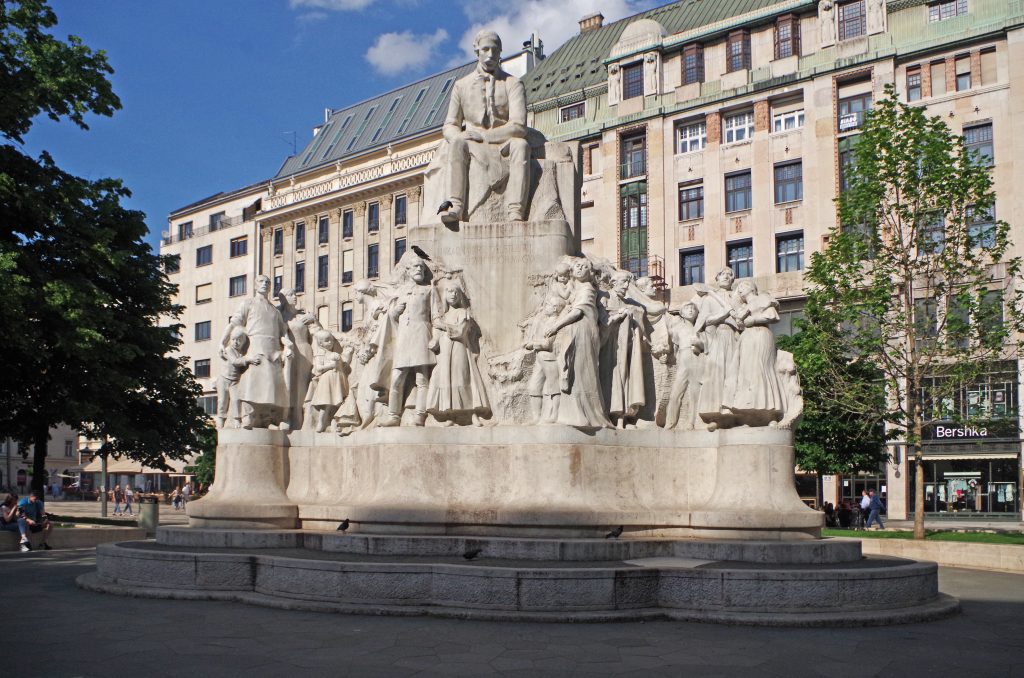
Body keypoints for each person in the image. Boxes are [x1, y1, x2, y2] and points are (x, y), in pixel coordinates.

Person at [438, 29, 530, 224]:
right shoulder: (461, 86)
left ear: (500, 52)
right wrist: (460, 136)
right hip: (472, 142)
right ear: (476, 51)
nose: (490, 55)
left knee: (521, 146)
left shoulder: (513, 84)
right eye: (485, 49)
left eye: (494, 50)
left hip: (504, 141)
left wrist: (487, 136)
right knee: (456, 143)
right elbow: (450, 125)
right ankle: (455, 206)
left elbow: (519, 125)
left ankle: (515, 210)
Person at [545, 257, 612, 428]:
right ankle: (572, 414)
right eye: (577, 267)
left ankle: (585, 414)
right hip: (575, 332)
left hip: (583, 332)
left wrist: (555, 326)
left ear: (589, 272)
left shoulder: (588, 289)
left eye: (584, 267)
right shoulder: (575, 288)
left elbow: (577, 313)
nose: (580, 269)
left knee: (581, 372)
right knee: (574, 372)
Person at [425, 280, 491, 426]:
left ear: (460, 295)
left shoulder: (463, 313)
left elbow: (460, 332)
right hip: (444, 352)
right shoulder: (443, 316)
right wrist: (434, 341)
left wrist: (442, 326)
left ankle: (473, 414)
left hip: (459, 349)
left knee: (462, 379)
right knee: (446, 381)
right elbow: (436, 336)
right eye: (449, 291)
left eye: (456, 292)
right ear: (445, 295)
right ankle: (451, 415)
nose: (453, 294)